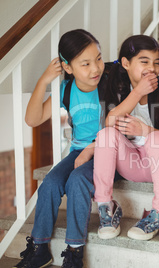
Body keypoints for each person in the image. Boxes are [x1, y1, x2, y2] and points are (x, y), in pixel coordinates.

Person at [15, 29, 106, 268]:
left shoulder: (109, 84)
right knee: (51, 183)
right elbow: (33, 119)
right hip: (78, 151)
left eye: (98, 58)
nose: (95, 68)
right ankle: (40, 247)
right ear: (68, 67)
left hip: (109, 150)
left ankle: (75, 250)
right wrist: (44, 80)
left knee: (77, 181)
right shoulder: (66, 89)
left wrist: (94, 148)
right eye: (85, 63)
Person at [93, 35, 159, 241]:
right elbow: (110, 123)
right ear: (126, 63)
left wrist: (146, 130)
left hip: (158, 164)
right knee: (105, 135)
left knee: (156, 139)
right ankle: (106, 206)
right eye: (144, 61)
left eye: (156, 63)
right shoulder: (118, 89)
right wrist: (138, 92)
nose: (152, 68)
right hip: (130, 163)